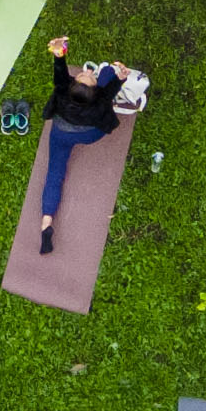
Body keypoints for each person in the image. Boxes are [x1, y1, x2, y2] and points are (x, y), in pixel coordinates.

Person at [32, 38, 134, 251]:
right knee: (107, 72)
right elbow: (108, 91)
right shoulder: (100, 102)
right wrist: (121, 77)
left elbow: (60, 70)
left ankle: (46, 222)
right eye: (87, 75)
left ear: (71, 86)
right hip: (89, 134)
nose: (87, 73)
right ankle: (46, 225)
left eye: (85, 74)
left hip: (62, 133)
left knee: (55, 173)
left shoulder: (62, 90)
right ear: (94, 92)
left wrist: (60, 52)